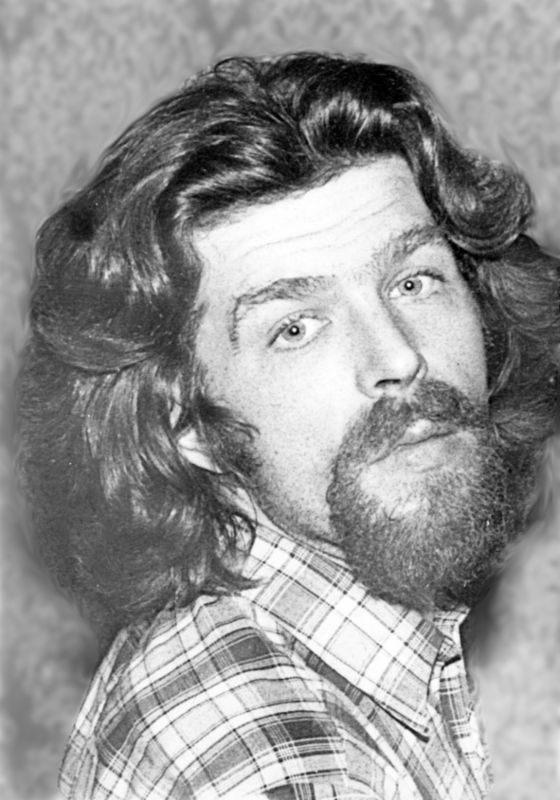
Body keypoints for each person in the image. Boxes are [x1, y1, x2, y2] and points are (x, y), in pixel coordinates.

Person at [17, 52, 560, 799]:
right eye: (296, 328)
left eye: (414, 280)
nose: (398, 356)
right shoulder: (282, 765)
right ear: (188, 425)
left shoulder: (337, 651)